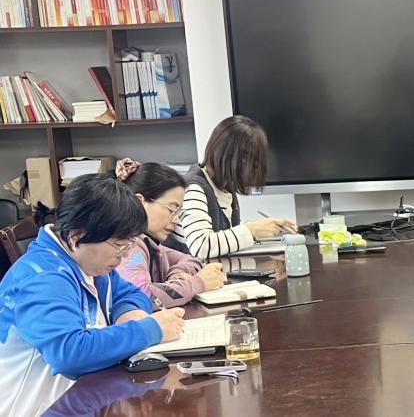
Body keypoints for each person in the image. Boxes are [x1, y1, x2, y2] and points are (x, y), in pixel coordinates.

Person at [0, 174, 186, 417]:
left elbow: (130, 293)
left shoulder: (88, 262)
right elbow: (69, 353)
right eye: (119, 246)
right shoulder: (44, 277)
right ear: (77, 236)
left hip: (77, 400)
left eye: (129, 245)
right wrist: (151, 330)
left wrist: (128, 312)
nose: (124, 256)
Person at [170, 115, 298, 259]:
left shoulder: (223, 186)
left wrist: (262, 227)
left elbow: (224, 229)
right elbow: (201, 246)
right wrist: (251, 230)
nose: (253, 171)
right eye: (253, 163)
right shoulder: (194, 188)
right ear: (232, 158)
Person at [115, 158, 227, 308]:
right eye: (172, 209)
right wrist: (198, 283)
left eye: (179, 212)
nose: (176, 219)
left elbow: (192, 260)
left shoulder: (151, 244)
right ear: (140, 201)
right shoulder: (130, 248)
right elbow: (142, 295)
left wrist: (177, 275)